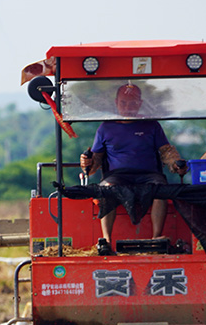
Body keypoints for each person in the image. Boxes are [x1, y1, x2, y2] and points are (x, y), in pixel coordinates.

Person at [80, 83, 188, 255]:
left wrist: (176, 164)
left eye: (132, 103)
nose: (127, 107)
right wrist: (86, 162)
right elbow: (96, 159)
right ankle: (106, 241)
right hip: (116, 176)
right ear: (116, 102)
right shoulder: (105, 127)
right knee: (105, 190)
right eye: (123, 103)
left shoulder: (151, 125)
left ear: (140, 103)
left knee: (160, 188)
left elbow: (166, 151)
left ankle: (156, 239)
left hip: (149, 175)